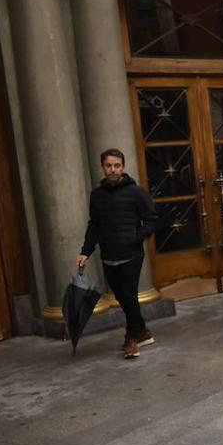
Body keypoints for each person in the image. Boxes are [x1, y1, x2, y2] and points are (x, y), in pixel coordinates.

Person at [76, 148, 158, 359]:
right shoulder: (97, 195)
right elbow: (94, 225)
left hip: (131, 255)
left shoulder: (135, 192)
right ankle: (142, 331)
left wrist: (136, 237)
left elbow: (151, 218)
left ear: (123, 167)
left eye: (117, 165)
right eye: (108, 165)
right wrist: (85, 252)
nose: (113, 169)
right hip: (108, 256)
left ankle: (130, 339)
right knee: (124, 299)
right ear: (102, 167)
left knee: (129, 295)